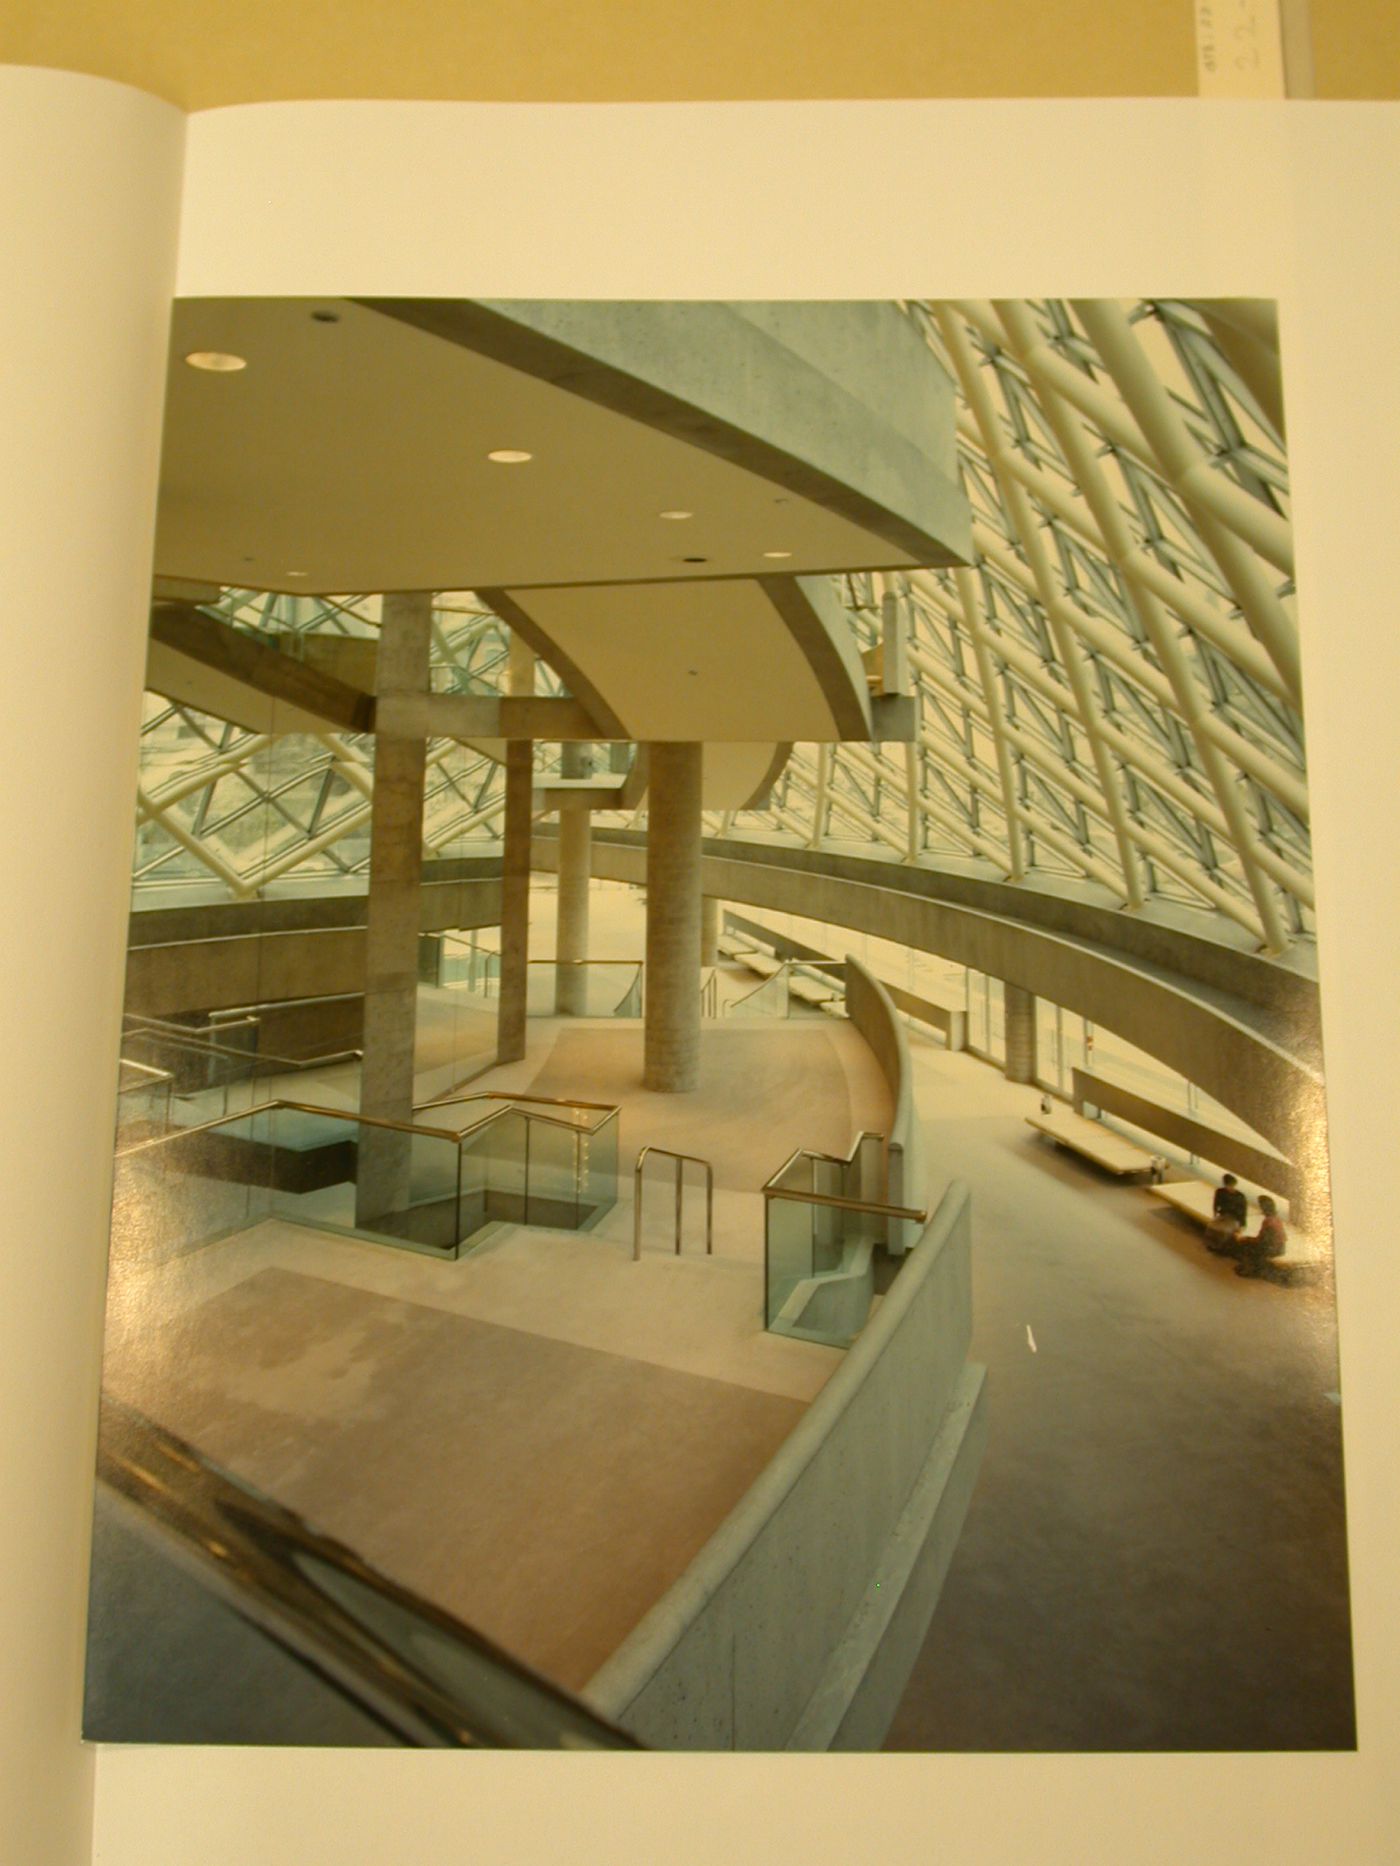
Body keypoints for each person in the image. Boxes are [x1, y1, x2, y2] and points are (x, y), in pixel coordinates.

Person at [1230, 1196, 1288, 1279]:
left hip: (1273, 1248)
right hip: (1280, 1247)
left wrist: (1245, 1238)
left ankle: (1250, 1269)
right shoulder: (1276, 1219)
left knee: (1246, 1246)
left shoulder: (1268, 1221)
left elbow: (1261, 1240)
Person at [1205, 1173, 1248, 1248]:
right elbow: (1216, 1204)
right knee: (1211, 1226)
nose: (1230, 1187)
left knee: (1225, 1230)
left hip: (1235, 1218)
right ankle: (1211, 1244)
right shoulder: (1220, 1192)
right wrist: (1215, 1215)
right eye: (1228, 1185)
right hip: (1224, 1215)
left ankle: (1221, 1246)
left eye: (1231, 1186)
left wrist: (1242, 1224)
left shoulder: (1240, 1196)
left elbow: (1243, 1211)